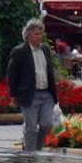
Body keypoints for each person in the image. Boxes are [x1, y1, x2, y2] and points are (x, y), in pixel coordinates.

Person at [7, 18, 61, 152]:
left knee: (47, 124)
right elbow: (12, 74)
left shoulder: (45, 50)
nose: (40, 37)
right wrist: (13, 94)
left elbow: (49, 71)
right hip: (29, 94)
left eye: (41, 33)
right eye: (37, 34)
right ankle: (30, 155)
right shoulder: (20, 51)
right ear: (28, 35)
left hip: (46, 94)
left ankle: (35, 148)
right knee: (31, 127)